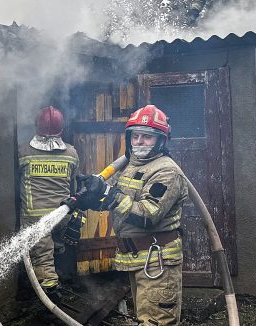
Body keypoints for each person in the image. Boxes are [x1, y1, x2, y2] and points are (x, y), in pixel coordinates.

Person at [67, 105, 188, 325]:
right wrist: (90, 197)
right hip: (138, 259)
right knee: (145, 318)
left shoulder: (166, 171)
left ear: (161, 141)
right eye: (136, 136)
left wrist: (109, 194)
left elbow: (148, 214)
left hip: (157, 260)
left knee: (156, 322)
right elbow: (113, 198)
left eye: (148, 137)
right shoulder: (129, 166)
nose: (140, 142)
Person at [17, 106, 79, 298]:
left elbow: (13, 180)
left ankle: (51, 297)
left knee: (42, 257)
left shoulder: (23, 152)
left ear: (36, 126)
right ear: (62, 128)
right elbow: (74, 187)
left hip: (35, 217)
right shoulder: (71, 154)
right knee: (56, 248)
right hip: (62, 216)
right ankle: (54, 282)